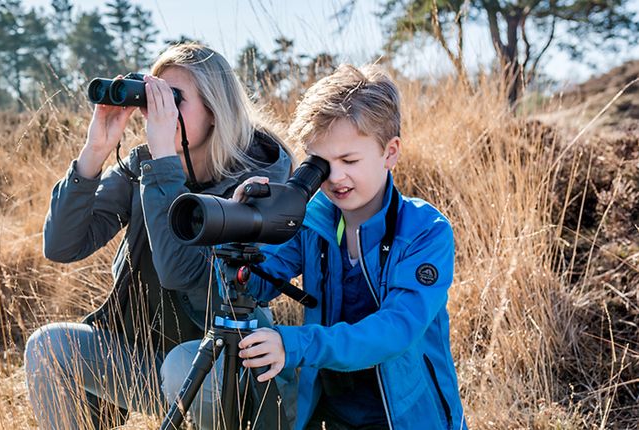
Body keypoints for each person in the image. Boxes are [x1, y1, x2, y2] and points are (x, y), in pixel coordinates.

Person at [24, 43, 295, 429]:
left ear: (215, 111)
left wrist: (164, 161)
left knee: (180, 365)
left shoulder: (257, 181)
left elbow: (181, 273)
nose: (161, 112)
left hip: (226, 362)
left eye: (175, 100)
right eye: (155, 98)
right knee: (48, 347)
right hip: (150, 361)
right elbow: (62, 245)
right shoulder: (145, 164)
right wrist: (95, 150)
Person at [228, 64, 467, 429]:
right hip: (328, 412)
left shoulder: (424, 231)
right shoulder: (312, 221)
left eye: (349, 160)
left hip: (406, 417)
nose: (336, 177)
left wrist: (296, 345)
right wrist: (244, 228)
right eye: (322, 163)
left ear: (390, 153)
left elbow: (396, 330)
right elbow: (252, 284)